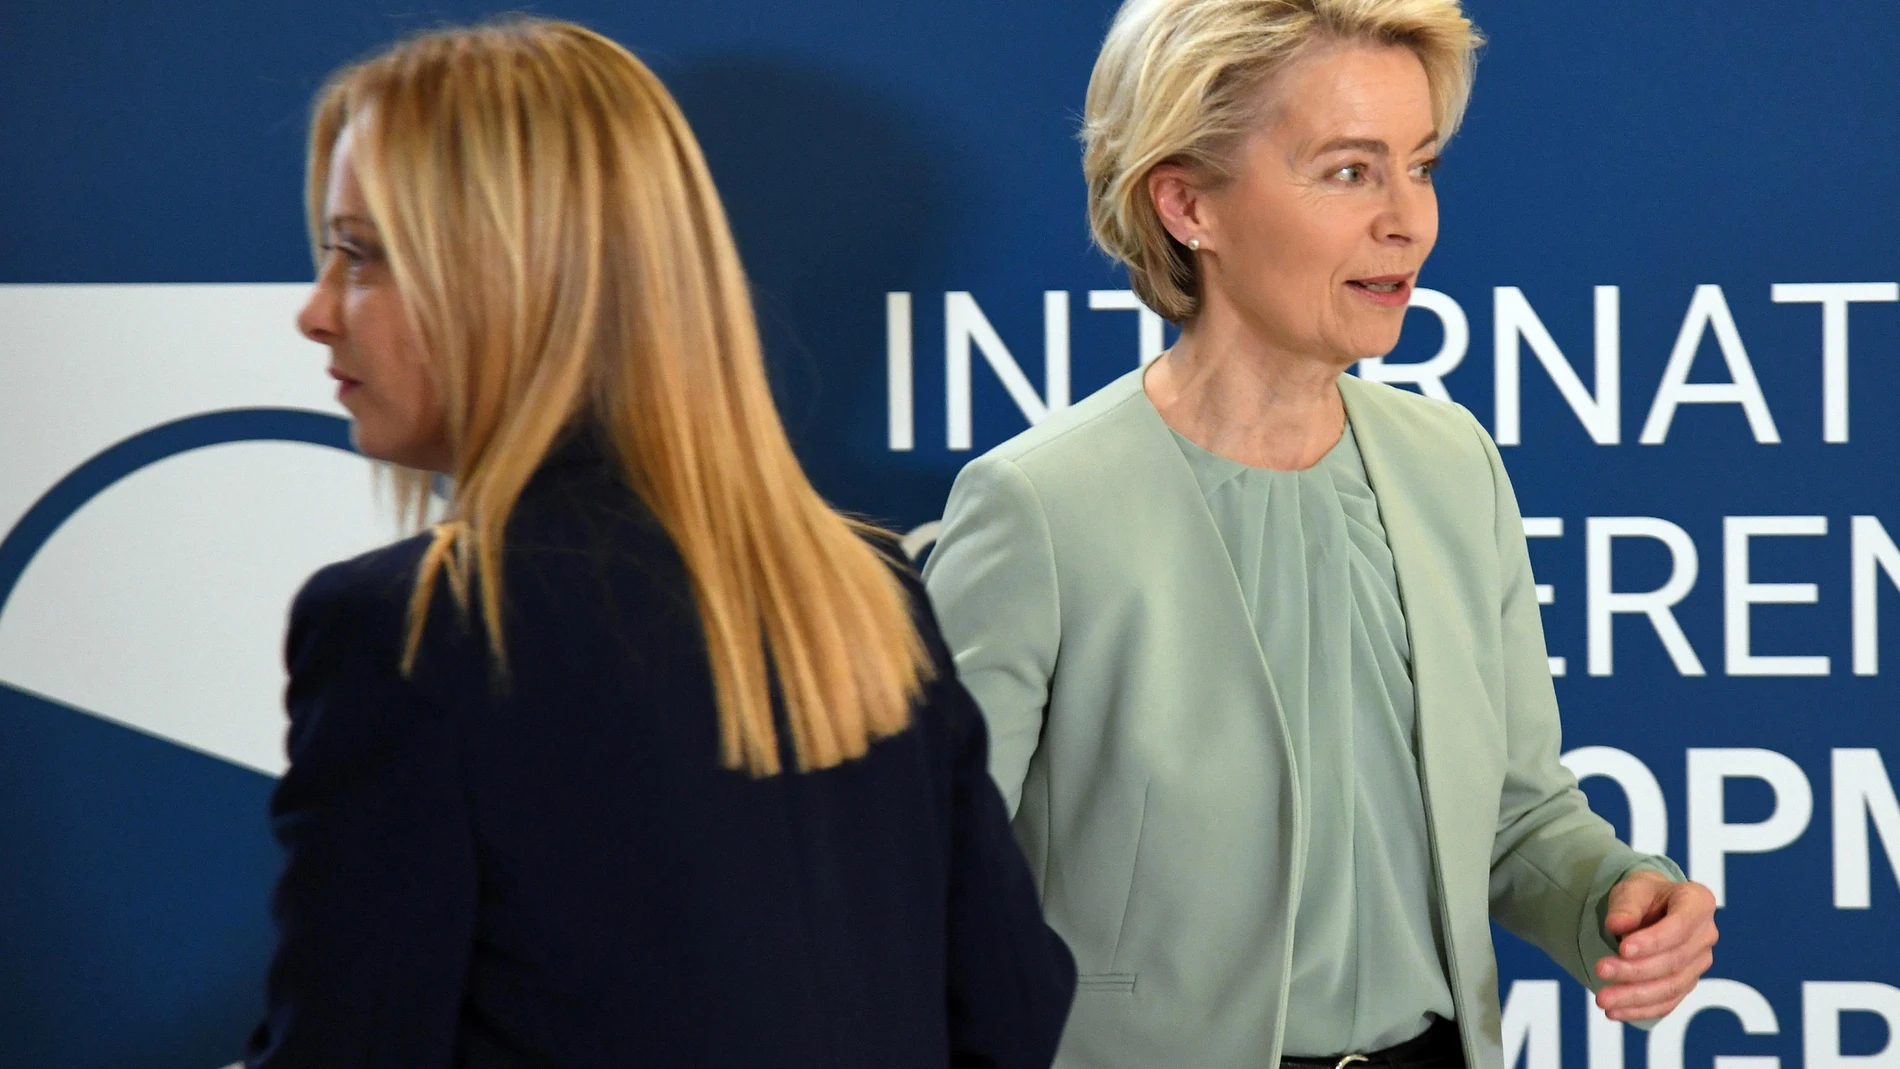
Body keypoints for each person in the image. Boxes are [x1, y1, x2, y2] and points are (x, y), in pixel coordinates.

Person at [246, 18, 1074, 1069]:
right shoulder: (867, 591)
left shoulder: (412, 630)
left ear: (510, 272)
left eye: (361, 256)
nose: (316, 313)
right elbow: (1010, 1011)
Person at [922, 2, 1717, 1068]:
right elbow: (926, 890)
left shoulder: (1452, 465)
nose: (1409, 221)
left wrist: (1616, 897)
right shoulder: (1038, 505)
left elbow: (1519, 816)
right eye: (1349, 171)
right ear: (1187, 202)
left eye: (1421, 167)